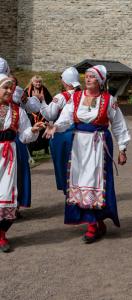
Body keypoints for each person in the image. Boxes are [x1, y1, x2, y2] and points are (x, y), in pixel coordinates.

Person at [44, 65, 130, 243]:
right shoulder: (75, 97)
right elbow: (66, 119)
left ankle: (92, 225)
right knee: (80, 181)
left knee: (95, 182)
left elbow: (119, 125)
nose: (87, 79)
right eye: (86, 76)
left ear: (100, 81)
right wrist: (55, 127)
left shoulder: (108, 100)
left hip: (99, 144)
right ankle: (96, 221)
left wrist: (123, 148)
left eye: (92, 77)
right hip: (79, 145)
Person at [0, 74, 44, 252]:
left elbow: (24, 135)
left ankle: (2, 234)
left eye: (11, 88)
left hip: (9, 156)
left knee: (7, 196)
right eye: (5, 87)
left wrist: (32, 130)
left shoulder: (17, 110)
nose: (9, 91)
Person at [40, 67, 81, 193]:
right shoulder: (83, 94)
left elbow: (50, 115)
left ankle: (67, 189)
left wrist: (41, 102)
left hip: (62, 133)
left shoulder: (61, 96)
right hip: (79, 132)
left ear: (66, 82)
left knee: (62, 163)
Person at [24, 75, 52, 155]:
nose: (38, 84)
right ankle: (31, 150)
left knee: (43, 130)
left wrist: (42, 101)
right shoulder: (27, 91)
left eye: (39, 82)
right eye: (36, 82)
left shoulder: (44, 89)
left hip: (42, 113)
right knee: (32, 130)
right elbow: (24, 102)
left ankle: (46, 148)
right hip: (31, 115)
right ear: (32, 82)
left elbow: (49, 100)